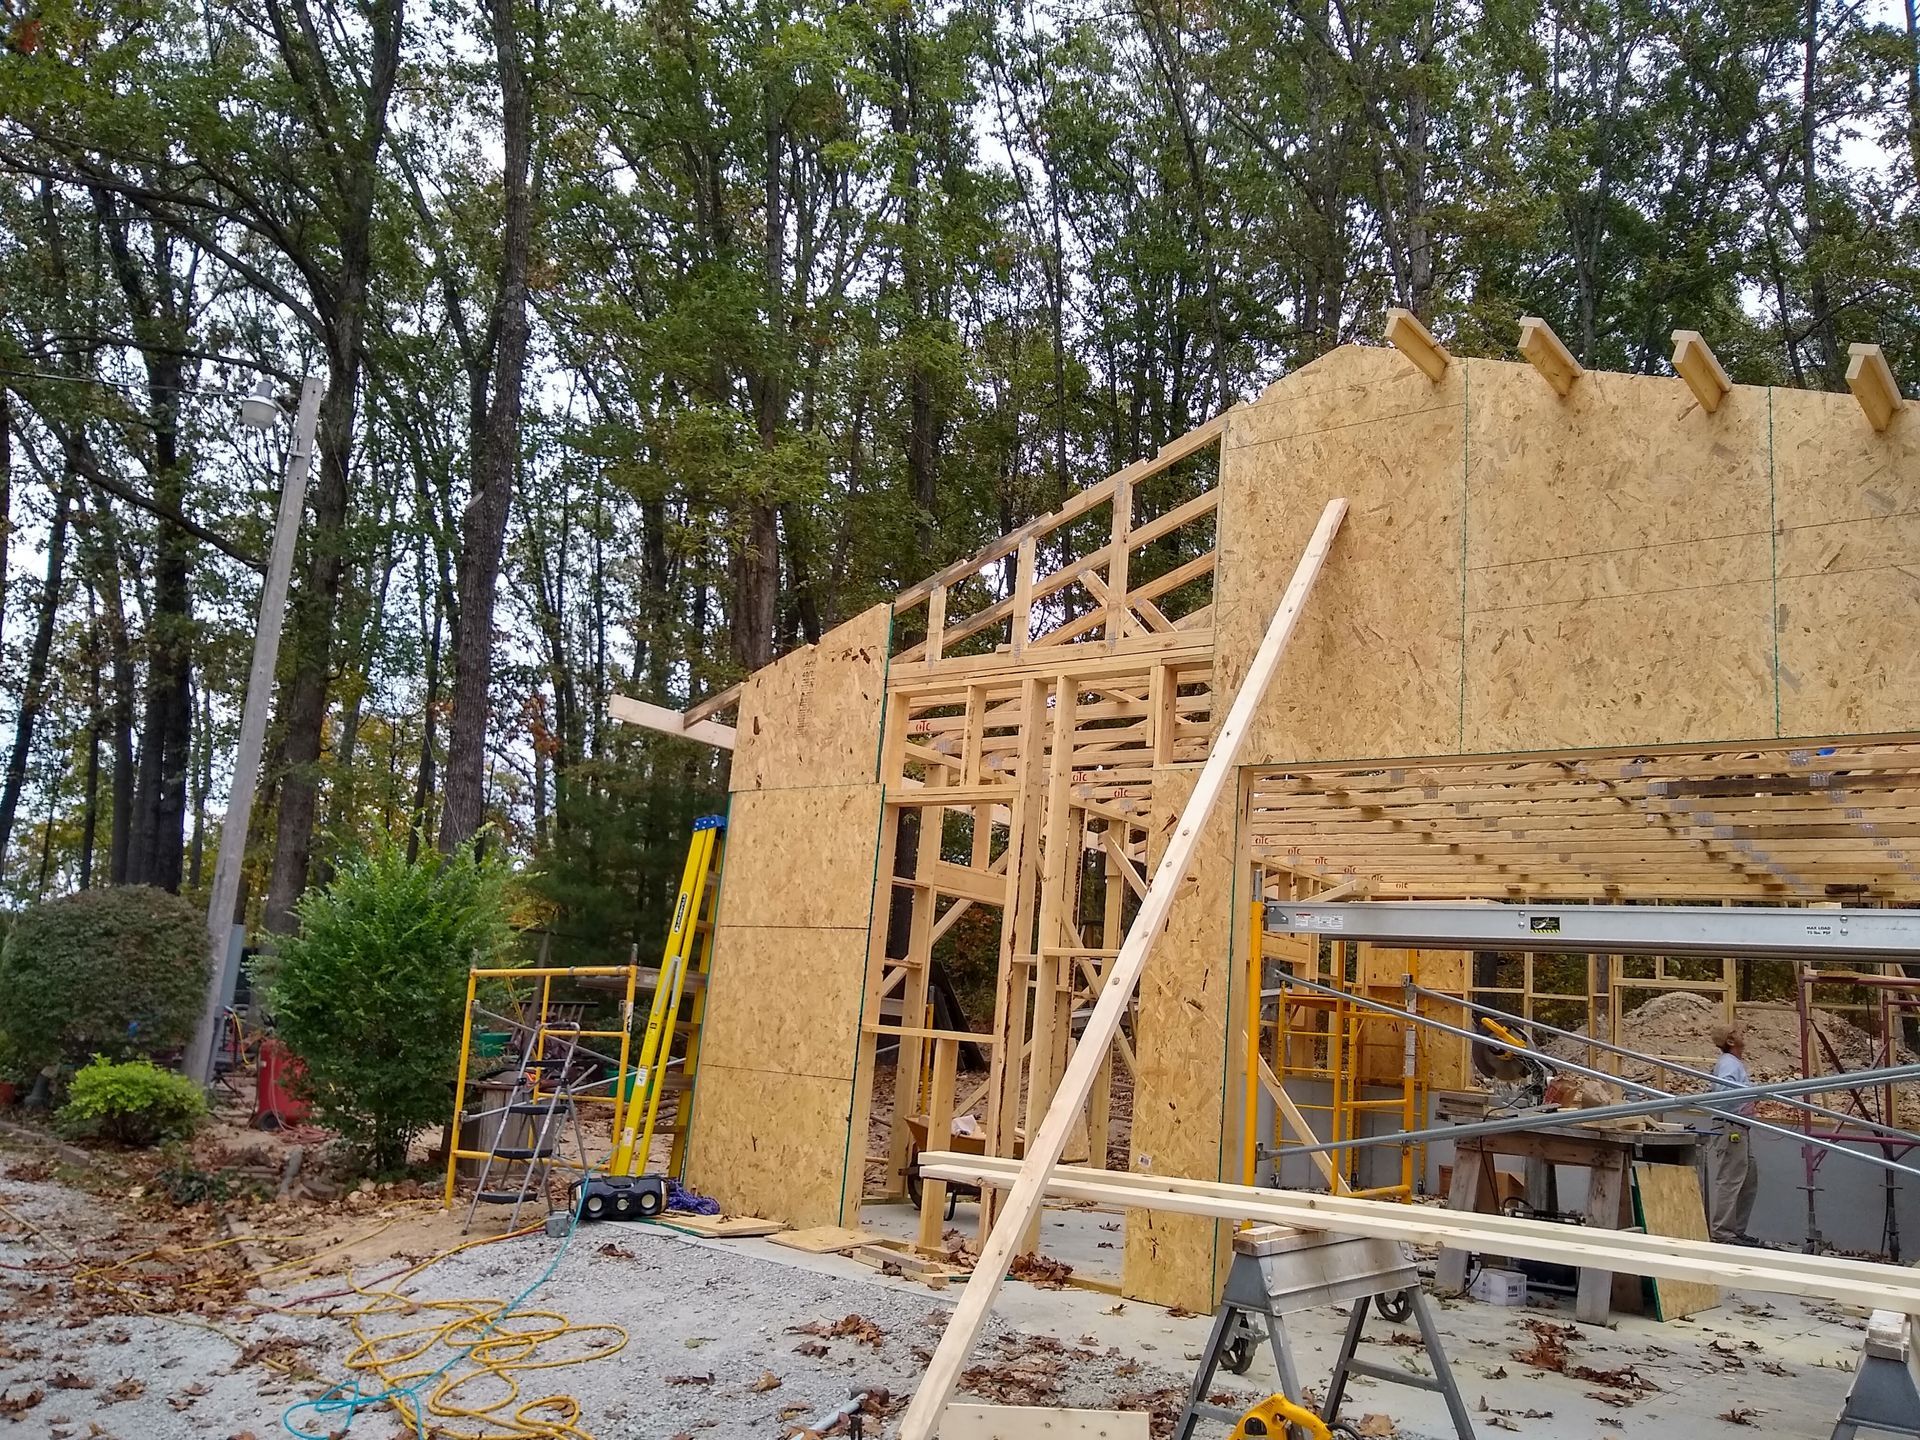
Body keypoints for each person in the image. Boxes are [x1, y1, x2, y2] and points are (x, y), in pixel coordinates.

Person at [1702, 1021, 1759, 1245]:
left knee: (1748, 1180)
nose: (1743, 1033)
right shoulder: (1728, 1063)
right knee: (1730, 1180)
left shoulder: (1734, 1064)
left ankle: (1736, 1230)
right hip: (1731, 1128)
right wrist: (1752, 1092)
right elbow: (1724, 1091)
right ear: (1730, 1040)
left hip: (1739, 1128)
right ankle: (1723, 1232)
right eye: (1737, 1032)